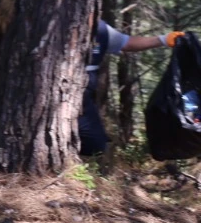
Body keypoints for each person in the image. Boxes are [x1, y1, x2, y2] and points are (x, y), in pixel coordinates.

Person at [80, 19, 186, 156]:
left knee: (95, 144)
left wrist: (163, 39)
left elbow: (126, 42)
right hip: (60, 95)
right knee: (91, 142)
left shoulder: (100, 29)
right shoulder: (48, 19)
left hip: (83, 95)